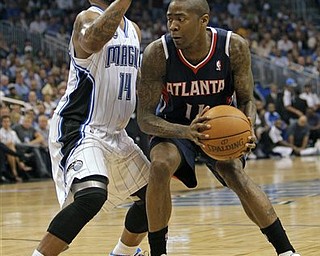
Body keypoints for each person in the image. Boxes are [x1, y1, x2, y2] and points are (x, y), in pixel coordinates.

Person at [136, 1, 300, 256]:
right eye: (169, 19)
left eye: (180, 19)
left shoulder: (233, 46)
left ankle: (286, 251)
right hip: (176, 127)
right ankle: (159, 252)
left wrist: (248, 128)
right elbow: (145, 118)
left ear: (203, 20)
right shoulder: (157, 53)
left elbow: (247, 100)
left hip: (221, 128)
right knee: (159, 165)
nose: (173, 26)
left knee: (234, 173)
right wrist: (186, 132)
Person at [31, 1, 150, 255]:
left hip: (118, 134)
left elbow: (134, 79)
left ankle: (123, 253)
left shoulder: (134, 30)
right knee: (91, 195)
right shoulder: (86, 18)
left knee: (155, 196)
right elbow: (92, 42)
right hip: (81, 126)